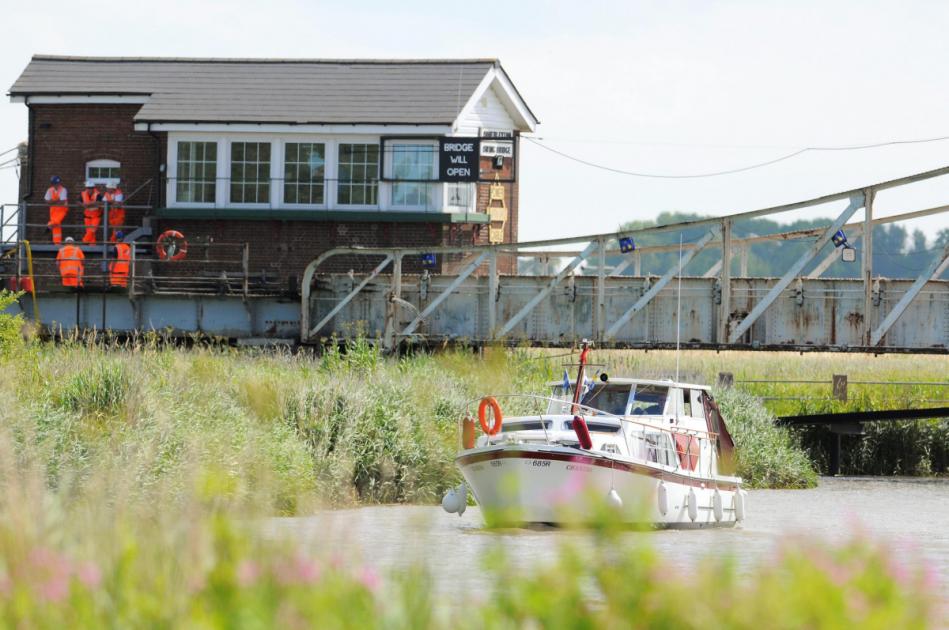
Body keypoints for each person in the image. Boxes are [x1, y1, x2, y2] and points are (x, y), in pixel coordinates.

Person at [44, 175, 68, 245]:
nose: (57, 185)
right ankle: (57, 243)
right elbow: (47, 201)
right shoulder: (49, 190)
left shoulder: (63, 190)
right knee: (56, 226)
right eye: (56, 183)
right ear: (52, 184)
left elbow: (62, 201)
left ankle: (49, 225)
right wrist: (57, 200)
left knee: (56, 221)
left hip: (62, 210)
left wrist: (52, 201)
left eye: (58, 183)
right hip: (53, 211)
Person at [80, 180, 102, 244]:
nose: (89, 189)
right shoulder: (83, 193)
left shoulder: (98, 194)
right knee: (89, 232)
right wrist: (82, 204)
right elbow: (78, 201)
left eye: (91, 188)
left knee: (92, 230)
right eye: (88, 188)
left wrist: (89, 204)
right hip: (87, 216)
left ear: (93, 188)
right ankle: (92, 245)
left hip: (96, 216)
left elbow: (99, 202)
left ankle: (84, 241)